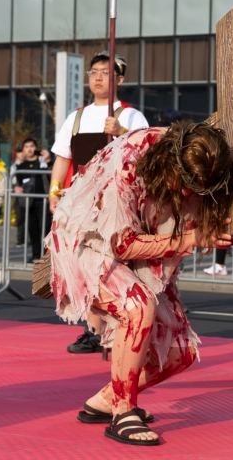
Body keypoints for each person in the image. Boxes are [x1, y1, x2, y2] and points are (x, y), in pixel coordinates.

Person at [47, 122, 233, 445]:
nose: (187, 195)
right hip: (85, 242)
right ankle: (123, 411)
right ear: (169, 161)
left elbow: (224, 207)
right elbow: (122, 244)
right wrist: (190, 238)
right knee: (137, 306)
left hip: (143, 249)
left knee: (180, 352)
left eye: (197, 190)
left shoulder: (214, 163)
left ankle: (107, 399)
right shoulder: (129, 162)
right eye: (185, 185)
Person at [50, 51, 149, 355]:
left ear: (120, 79)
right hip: (80, 201)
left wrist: (122, 133)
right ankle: (92, 329)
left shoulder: (131, 116)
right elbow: (62, 158)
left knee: (114, 264)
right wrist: (54, 191)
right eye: (94, 72)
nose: (97, 77)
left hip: (116, 202)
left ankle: (117, 328)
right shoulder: (76, 117)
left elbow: (146, 154)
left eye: (106, 72)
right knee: (84, 264)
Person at [14, 138, 50, 260]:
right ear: (23, 149)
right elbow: (17, 183)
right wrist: (16, 188)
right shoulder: (20, 165)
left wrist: (47, 160)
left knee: (45, 229)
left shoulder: (42, 162)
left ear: (35, 147)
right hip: (28, 202)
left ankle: (46, 255)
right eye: (26, 147)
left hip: (43, 200)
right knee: (32, 229)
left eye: (32, 146)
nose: (29, 149)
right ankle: (35, 254)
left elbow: (50, 176)